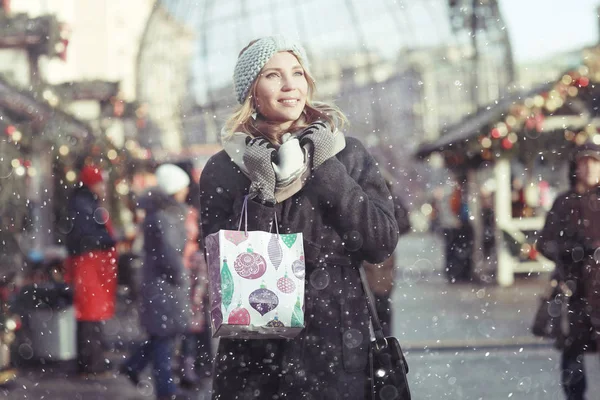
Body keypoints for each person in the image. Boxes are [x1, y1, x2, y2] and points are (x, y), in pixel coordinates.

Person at [199, 35, 399, 399]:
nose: (291, 85)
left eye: (297, 73)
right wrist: (260, 190)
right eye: (273, 75)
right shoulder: (224, 167)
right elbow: (221, 266)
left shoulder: (346, 153)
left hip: (335, 350)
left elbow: (380, 241)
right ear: (251, 91)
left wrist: (326, 168)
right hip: (255, 357)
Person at [120, 164, 192, 400]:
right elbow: (170, 255)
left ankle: (133, 366)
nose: (186, 191)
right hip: (165, 287)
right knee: (164, 339)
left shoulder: (162, 214)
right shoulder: (165, 217)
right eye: (183, 187)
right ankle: (165, 390)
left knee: (161, 336)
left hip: (159, 284)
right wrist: (182, 277)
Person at [537, 141, 600, 400]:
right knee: (573, 351)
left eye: (594, 162)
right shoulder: (564, 202)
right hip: (574, 288)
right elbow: (545, 242)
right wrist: (573, 251)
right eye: (584, 162)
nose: (588, 168)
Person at [65, 165, 117, 378]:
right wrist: (110, 240)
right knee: (90, 314)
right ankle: (90, 364)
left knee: (91, 314)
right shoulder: (83, 205)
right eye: (100, 182)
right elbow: (86, 236)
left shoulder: (85, 203)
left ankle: (92, 361)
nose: (103, 187)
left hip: (91, 267)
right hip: (89, 268)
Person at [363, 171, 411, 336]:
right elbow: (405, 224)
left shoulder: (363, 198)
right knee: (382, 300)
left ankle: (375, 338)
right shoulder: (391, 199)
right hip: (384, 253)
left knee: (368, 300)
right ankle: (384, 337)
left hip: (368, 254)